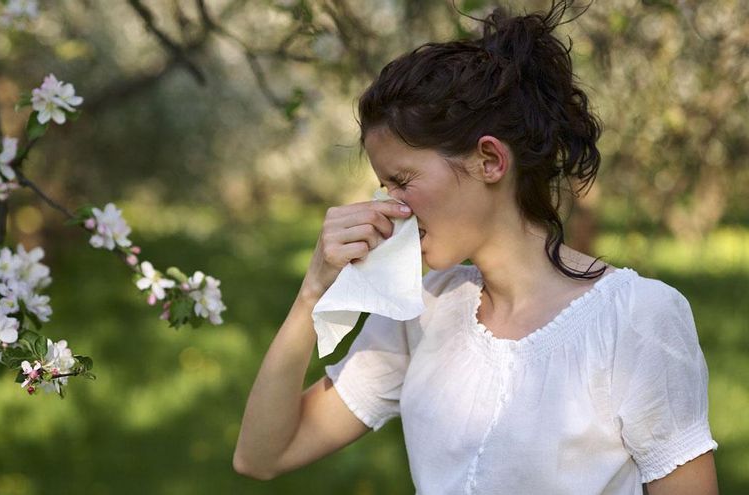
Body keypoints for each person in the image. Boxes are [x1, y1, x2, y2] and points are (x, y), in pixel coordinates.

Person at [232, 1, 720, 493]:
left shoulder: (634, 317)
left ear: (489, 160)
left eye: (403, 181)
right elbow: (262, 455)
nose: (389, 207)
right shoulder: (422, 309)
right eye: (384, 186)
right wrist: (313, 294)